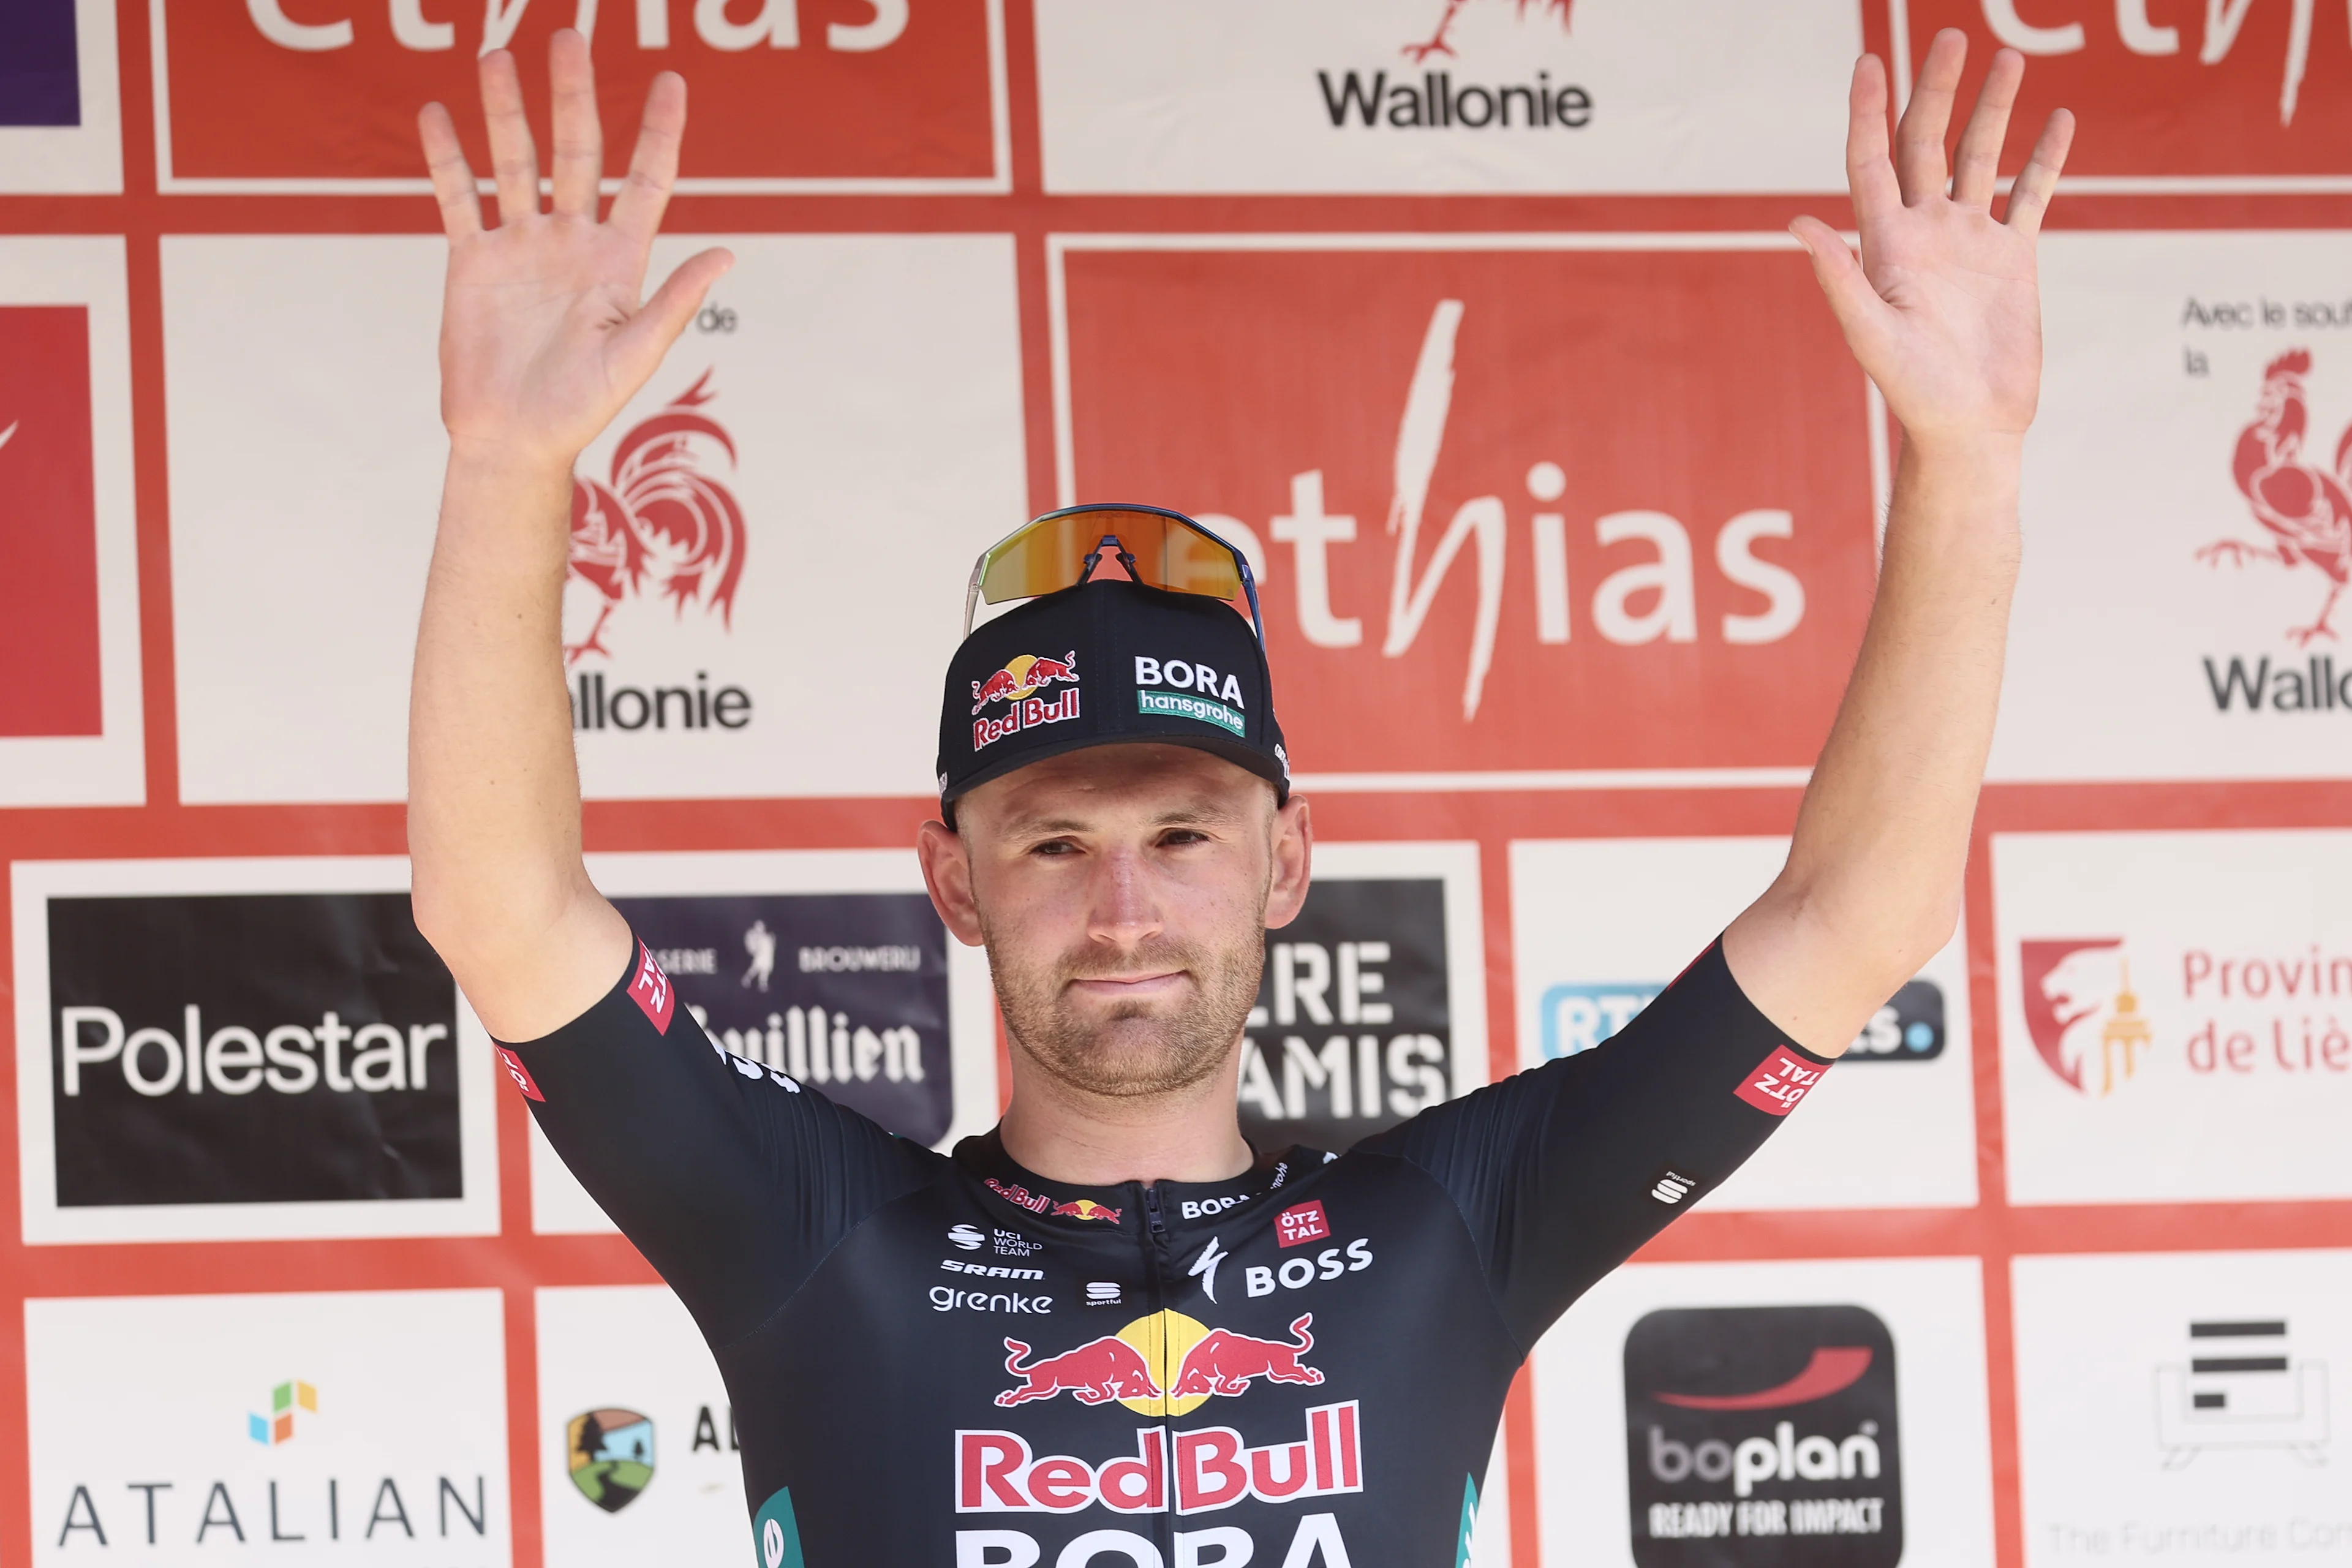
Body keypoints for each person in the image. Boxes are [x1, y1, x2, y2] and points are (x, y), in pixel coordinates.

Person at [407, 29, 2070, 1566]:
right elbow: (505, 913)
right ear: (954, 881)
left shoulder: (1448, 1231)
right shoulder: (814, 1240)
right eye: (1053, 841)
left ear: (1288, 862)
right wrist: (506, 474)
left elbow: (1860, 918)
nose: (1123, 907)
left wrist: (1968, 467)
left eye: (1183, 834)